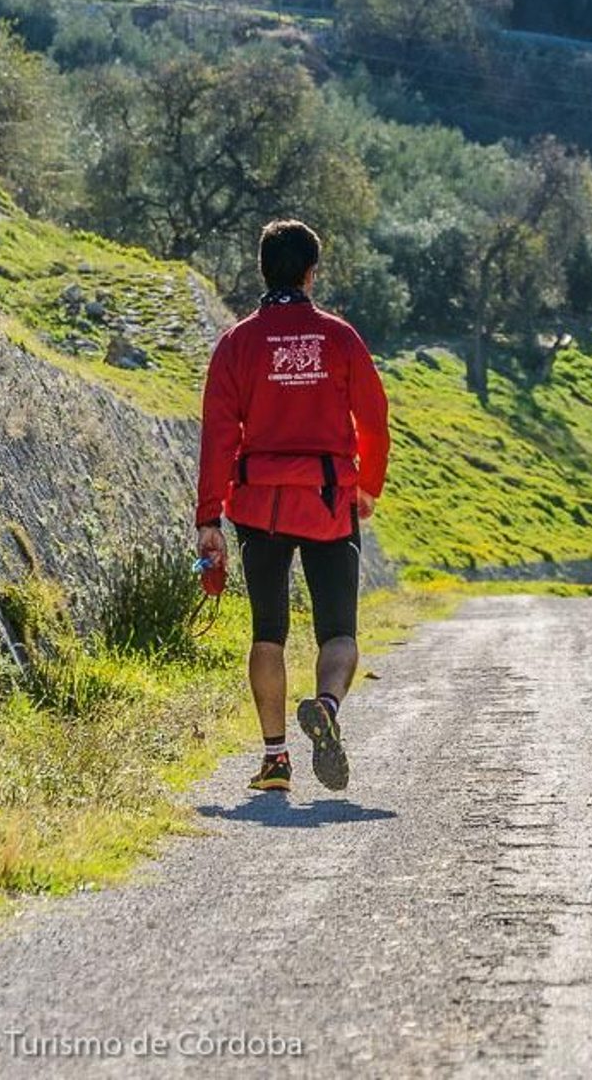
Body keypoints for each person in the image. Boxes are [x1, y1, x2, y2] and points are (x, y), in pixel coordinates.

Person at [195, 218, 390, 795]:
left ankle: (276, 760)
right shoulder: (339, 337)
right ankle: (326, 705)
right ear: (311, 272)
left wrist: (210, 518)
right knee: (339, 633)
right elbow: (374, 418)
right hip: (329, 502)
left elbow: (217, 435)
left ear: (263, 269)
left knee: (268, 633)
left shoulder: (237, 343)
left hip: (260, 507)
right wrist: (368, 486)